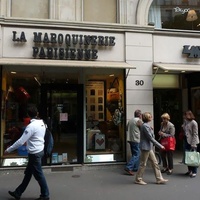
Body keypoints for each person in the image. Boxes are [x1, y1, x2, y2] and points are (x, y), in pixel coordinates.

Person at [5, 106, 50, 200]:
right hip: (39, 150)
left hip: (34, 153)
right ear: (37, 113)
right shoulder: (42, 123)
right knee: (28, 173)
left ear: (28, 115)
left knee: (39, 175)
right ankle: (18, 192)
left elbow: (21, 141)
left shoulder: (31, 127)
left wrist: (9, 150)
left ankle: (45, 195)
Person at [135, 112, 168, 185]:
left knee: (155, 163)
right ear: (147, 118)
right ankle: (138, 179)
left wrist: (151, 130)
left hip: (148, 147)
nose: (151, 117)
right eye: (150, 116)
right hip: (145, 147)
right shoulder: (145, 126)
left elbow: (150, 136)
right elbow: (150, 138)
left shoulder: (146, 126)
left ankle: (159, 178)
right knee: (143, 163)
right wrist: (160, 146)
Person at [124, 109, 142, 175]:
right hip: (136, 139)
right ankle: (129, 167)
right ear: (139, 115)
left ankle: (135, 168)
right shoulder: (139, 121)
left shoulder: (130, 120)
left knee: (134, 153)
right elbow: (143, 129)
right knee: (137, 154)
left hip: (130, 139)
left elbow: (126, 128)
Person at [182, 110, 199, 178]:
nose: (184, 116)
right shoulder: (186, 122)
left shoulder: (194, 123)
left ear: (189, 115)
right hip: (186, 140)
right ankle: (190, 170)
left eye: (185, 115)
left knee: (193, 157)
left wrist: (193, 143)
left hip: (192, 141)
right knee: (187, 156)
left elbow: (195, 134)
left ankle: (194, 171)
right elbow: (184, 130)